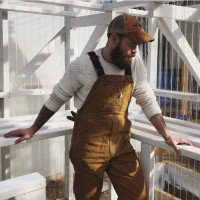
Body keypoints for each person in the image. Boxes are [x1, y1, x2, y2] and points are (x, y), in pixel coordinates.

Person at [4, 14, 192, 200]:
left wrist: (167, 135)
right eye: (132, 44)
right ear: (114, 38)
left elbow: (147, 99)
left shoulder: (134, 64)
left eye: (138, 45)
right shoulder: (82, 65)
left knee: (137, 196)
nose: (135, 50)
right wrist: (33, 129)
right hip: (88, 148)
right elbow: (58, 97)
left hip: (120, 146)